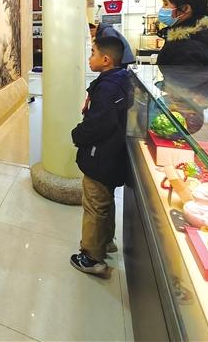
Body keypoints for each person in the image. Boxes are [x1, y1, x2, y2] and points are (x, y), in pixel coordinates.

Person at [70, 36, 132, 275]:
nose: (89, 58)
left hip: (101, 158)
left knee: (94, 206)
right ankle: (106, 241)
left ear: (106, 60)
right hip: (112, 157)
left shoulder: (107, 88)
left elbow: (98, 124)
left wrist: (77, 134)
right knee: (105, 202)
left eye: (93, 53)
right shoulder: (120, 80)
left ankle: (91, 257)